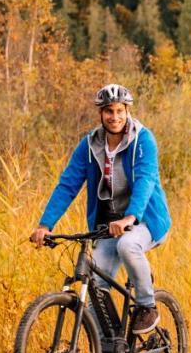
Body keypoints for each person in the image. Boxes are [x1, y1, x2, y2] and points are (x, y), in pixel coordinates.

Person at [30, 84, 172, 335]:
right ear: (100, 113)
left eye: (119, 110)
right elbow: (67, 185)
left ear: (127, 111)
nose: (114, 117)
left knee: (127, 245)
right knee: (95, 285)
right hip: (109, 224)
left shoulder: (143, 139)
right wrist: (45, 225)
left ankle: (147, 305)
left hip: (146, 220)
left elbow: (145, 180)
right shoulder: (89, 145)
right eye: (109, 111)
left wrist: (131, 216)